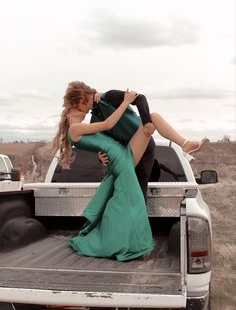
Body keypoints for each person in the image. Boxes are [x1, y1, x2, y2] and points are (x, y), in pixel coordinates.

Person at [53, 81, 208, 261]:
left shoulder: (81, 124)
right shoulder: (76, 128)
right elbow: (109, 125)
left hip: (123, 154)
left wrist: (100, 154)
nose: (88, 110)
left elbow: (101, 141)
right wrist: (126, 101)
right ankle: (134, 245)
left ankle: (185, 144)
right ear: (79, 101)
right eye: (87, 105)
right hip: (122, 161)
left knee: (153, 117)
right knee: (133, 205)